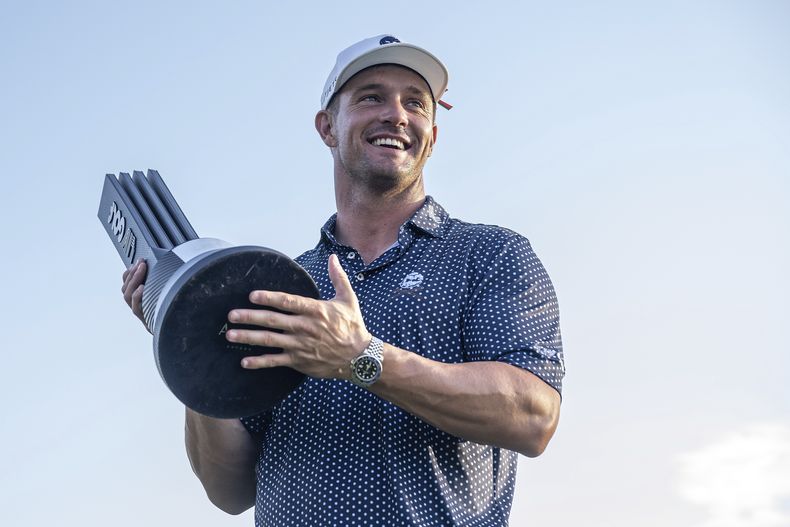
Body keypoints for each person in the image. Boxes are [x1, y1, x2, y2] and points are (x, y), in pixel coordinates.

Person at [121, 34, 564, 527]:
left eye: (416, 104)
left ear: (433, 137)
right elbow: (229, 491)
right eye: (372, 95)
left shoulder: (489, 253)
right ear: (327, 127)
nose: (396, 114)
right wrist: (191, 346)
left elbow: (533, 416)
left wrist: (361, 359)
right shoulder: (279, 283)